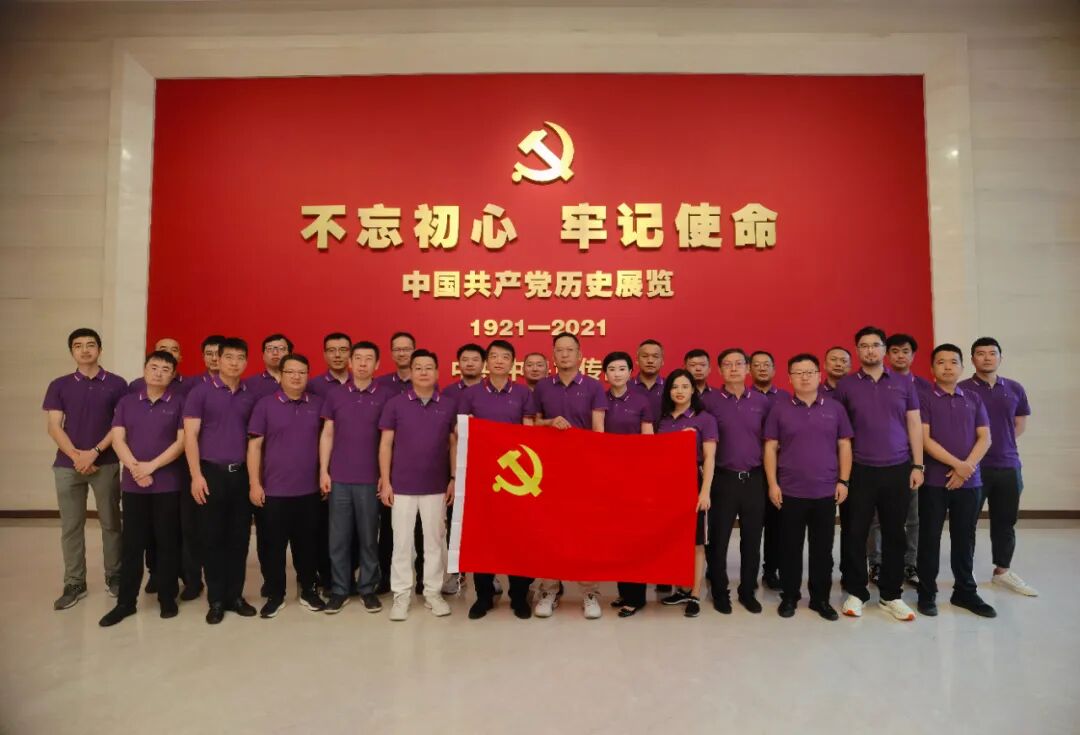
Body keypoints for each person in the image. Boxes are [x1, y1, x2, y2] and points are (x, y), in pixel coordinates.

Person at [834, 326, 924, 621]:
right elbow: (839, 433)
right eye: (864, 345)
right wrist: (842, 475)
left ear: (884, 350)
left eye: (875, 345)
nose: (870, 350)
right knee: (855, 532)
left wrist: (918, 465)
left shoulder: (903, 383)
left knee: (895, 533)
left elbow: (914, 424)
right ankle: (857, 592)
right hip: (859, 469)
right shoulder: (846, 385)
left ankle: (891, 594)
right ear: (857, 351)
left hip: (897, 468)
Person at [99, 351, 187, 626]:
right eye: (154, 367)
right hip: (134, 486)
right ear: (145, 370)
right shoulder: (127, 402)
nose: (159, 373)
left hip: (168, 485)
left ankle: (167, 597)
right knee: (132, 545)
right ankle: (126, 603)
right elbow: (118, 439)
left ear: (173, 375)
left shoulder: (180, 402)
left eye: (165, 369)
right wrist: (136, 468)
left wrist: (152, 467)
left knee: (167, 543)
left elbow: (181, 442)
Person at [764, 354, 853, 621]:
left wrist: (844, 480)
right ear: (789, 378)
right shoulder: (779, 409)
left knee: (822, 550)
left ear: (818, 375)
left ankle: (820, 599)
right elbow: (770, 447)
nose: (804, 377)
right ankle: (790, 596)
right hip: (790, 491)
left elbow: (844, 445)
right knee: (789, 548)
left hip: (825, 491)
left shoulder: (835, 408)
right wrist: (772, 484)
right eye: (798, 373)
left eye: (810, 372)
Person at [44, 328, 127, 609]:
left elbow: (119, 426)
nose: (85, 350)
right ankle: (74, 582)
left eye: (90, 345)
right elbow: (54, 426)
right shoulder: (59, 385)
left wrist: (93, 453)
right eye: (78, 346)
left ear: (100, 349)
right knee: (71, 526)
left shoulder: (117, 384)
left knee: (111, 523)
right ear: (72, 351)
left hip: (105, 463)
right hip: (67, 466)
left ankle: (115, 576)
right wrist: (76, 456)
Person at [458, 339, 538, 620]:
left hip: (515, 478)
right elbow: (461, 432)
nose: (499, 361)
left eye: (505, 357)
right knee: (483, 536)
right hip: (482, 476)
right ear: (487, 362)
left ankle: (519, 596)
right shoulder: (471, 394)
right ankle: (484, 596)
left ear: (512, 363)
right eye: (494, 356)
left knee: (518, 537)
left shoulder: (523, 393)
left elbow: (529, 434)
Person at [378, 349, 458, 621]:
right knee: (401, 543)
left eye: (429, 367)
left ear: (437, 372)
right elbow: (386, 444)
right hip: (401, 486)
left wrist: (453, 478)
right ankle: (401, 595)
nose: (424, 372)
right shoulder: (395, 404)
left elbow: (453, 444)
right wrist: (386, 481)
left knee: (434, 542)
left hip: (436, 486)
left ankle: (433, 593)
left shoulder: (448, 404)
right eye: (418, 367)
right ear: (410, 372)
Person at [183, 337, 259, 624]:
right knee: (212, 538)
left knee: (239, 538)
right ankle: (215, 599)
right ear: (218, 359)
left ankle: (235, 596)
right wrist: (196, 476)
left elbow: (254, 441)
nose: (234, 363)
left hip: (240, 475)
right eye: (229, 357)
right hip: (210, 473)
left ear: (246, 362)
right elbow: (190, 436)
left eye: (240, 358)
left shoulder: (250, 395)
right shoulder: (200, 393)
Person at [532, 332, 607, 619]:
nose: (564, 355)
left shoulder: (593, 386)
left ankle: (589, 591)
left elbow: (598, 429)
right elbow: (533, 424)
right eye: (559, 350)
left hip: (583, 470)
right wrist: (550, 423)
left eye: (570, 350)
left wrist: (596, 468)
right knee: (549, 529)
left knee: (585, 531)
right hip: (548, 470)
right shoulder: (542, 387)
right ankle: (549, 589)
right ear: (553, 356)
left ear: (580, 355)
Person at [917, 344, 996, 618]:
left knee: (965, 537)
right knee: (929, 538)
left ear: (963, 367)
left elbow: (985, 437)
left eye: (953, 361)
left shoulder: (973, 398)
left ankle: (965, 592)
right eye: (941, 362)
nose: (948, 367)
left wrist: (966, 469)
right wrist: (958, 465)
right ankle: (926, 593)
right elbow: (924, 440)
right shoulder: (924, 398)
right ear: (932, 368)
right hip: (934, 482)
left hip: (969, 483)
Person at [248, 353, 327, 617]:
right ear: (280, 375)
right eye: (290, 372)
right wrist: (254, 483)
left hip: (309, 491)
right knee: (272, 546)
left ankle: (308, 590)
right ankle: (275, 594)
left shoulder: (318, 404)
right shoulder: (264, 405)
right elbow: (254, 447)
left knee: (308, 545)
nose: (296, 377)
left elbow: (327, 441)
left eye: (302, 372)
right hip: (274, 491)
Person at [960, 337, 1037, 597]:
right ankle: (965, 573)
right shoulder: (962, 389)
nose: (987, 358)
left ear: (1000, 357)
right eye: (980, 353)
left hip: (1008, 465)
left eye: (992, 353)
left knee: (1005, 521)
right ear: (972, 359)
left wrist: (999, 444)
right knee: (966, 522)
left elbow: (1019, 424)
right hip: (973, 468)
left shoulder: (1014, 388)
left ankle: (1002, 571)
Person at [320, 341, 393, 614]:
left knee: (368, 538)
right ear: (350, 363)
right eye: (358, 358)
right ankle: (339, 589)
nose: (362, 363)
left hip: (370, 479)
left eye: (368, 359)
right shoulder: (335, 394)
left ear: (377, 364)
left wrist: (385, 476)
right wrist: (323, 471)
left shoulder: (385, 396)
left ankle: (367, 588)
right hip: (339, 478)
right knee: (338, 538)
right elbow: (328, 434)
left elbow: (388, 441)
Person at [700, 349, 770, 614]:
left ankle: (747, 591)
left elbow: (770, 441)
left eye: (739, 364)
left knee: (752, 539)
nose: (733, 368)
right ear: (719, 370)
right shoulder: (709, 401)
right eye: (727, 364)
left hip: (754, 479)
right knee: (718, 540)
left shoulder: (762, 402)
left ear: (748, 368)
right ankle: (720, 591)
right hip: (723, 479)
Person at [867, 332, 930, 588]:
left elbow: (922, 426)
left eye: (906, 351)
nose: (900, 356)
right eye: (895, 351)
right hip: (880, 459)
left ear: (913, 355)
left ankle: (909, 563)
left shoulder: (924, 387)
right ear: (886, 354)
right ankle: (876, 562)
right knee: (876, 518)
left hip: (911, 459)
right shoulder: (877, 382)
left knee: (912, 516)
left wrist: (919, 463)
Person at [657, 369, 717, 618]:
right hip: (667, 485)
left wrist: (705, 492)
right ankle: (680, 589)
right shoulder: (663, 420)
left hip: (693, 481)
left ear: (693, 390)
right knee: (673, 538)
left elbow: (710, 457)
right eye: (674, 387)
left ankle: (694, 593)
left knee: (696, 542)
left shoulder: (704, 419)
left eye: (684, 386)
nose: (679, 391)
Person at [599, 351, 655, 618]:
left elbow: (648, 440)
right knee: (616, 536)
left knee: (635, 536)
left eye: (622, 368)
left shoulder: (641, 401)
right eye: (612, 369)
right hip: (609, 477)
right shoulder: (600, 399)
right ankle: (624, 591)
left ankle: (636, 597)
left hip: (635, 476)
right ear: (605, 374)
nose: (617, 373)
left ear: (630, 372)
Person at [438, 343, 487, 595]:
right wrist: (453, 473)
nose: (469, 363)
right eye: (465, 359)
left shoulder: (488, 391)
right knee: (456, 520)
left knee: (484, 521)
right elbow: (449, 433)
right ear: (458, 363)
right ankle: (457, 573)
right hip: (455, 463)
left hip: (486, 467)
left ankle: (486, 571)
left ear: (483, 363)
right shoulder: (447, 393)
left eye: (475, 359)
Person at [749, 350, 791, 591]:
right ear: (749, 369)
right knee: (753, 525)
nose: (762, 368)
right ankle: (749, 573)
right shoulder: (744, 396)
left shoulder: (785, 398)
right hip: (753, 468)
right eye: (757, 365)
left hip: (780, 469)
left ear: (774, 370)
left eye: (767, 365)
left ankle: (771, 570)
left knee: (777, 524)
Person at [245, 333, 293, 400]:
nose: (275, 353)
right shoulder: (249, 384)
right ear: (263, 356)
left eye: (281, 348)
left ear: (290, 355)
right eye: (269, 349)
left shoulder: (300, 381)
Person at [306, 332, 352, 398]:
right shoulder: (313, 385)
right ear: (325, 355)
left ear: (351, 354)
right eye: (331, 350)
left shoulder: (360, 382)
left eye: (343, 350)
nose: (337, 355)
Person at [630, 339, 665, 423]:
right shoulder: (626, 387)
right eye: (645, 356)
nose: (650, 361)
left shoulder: (670, 387)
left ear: (662, 361)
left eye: (655, 356)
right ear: (637, 360)